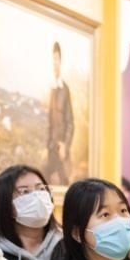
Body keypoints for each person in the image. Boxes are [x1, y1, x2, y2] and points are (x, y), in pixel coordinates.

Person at [45, 41, 74, 185]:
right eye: (52, 59)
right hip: (51, 148)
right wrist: (47, 145)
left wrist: (65, 146)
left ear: (60, 61)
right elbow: (48, 122)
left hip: (61, 149)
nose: (54, 63)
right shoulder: (50, 89)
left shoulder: (65, 89)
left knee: (65, 182)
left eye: (56, 59)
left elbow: (70, 123)